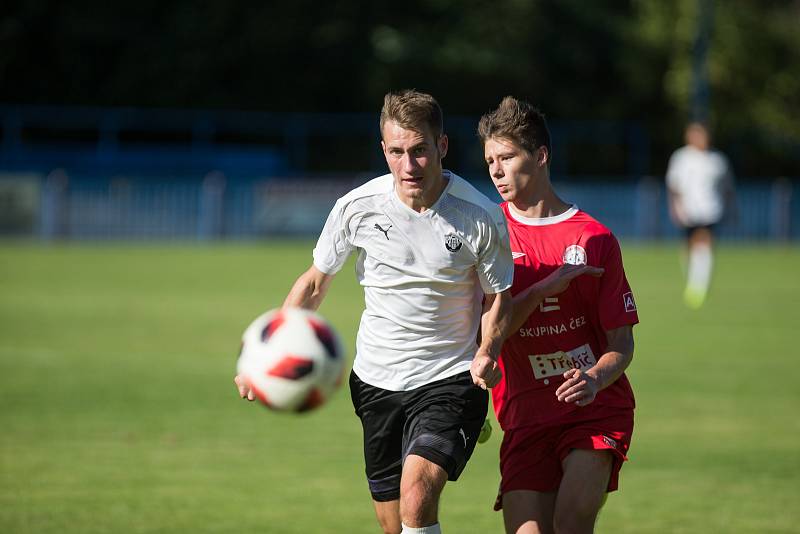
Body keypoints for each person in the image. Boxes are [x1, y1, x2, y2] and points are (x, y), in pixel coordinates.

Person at [236, 90, 514, 534]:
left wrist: (488, 350)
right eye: (398, 152)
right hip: (375, 381)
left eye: (420, 150)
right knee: (394, 525)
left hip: (449, 376)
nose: (409, 165)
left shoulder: (480, 217)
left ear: (441, 146)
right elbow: (314, 282)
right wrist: (266, 355)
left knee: (417, 497)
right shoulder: (356, 208)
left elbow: (498, 296)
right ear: (383, 150)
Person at [478, 96, 639, 534]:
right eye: (490, 159)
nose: (495, 170)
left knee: (570, 523)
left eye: (507, 157)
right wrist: (544, 289)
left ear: (541, 156)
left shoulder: (594, 238)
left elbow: (621, 344)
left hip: (593, 409)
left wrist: (593, 379)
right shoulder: (486, 234)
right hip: (524, 417)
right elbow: (487, 337)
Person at [666, 122, 735, 309]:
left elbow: (728, 188)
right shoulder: (681, 158)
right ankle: (693, 280)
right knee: (688, 248)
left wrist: (730, 209)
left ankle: (698, 287)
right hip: (688, 210)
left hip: (711, 210)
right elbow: (674, 186)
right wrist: (675, 208)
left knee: (703, 243)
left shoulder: (717, 160)